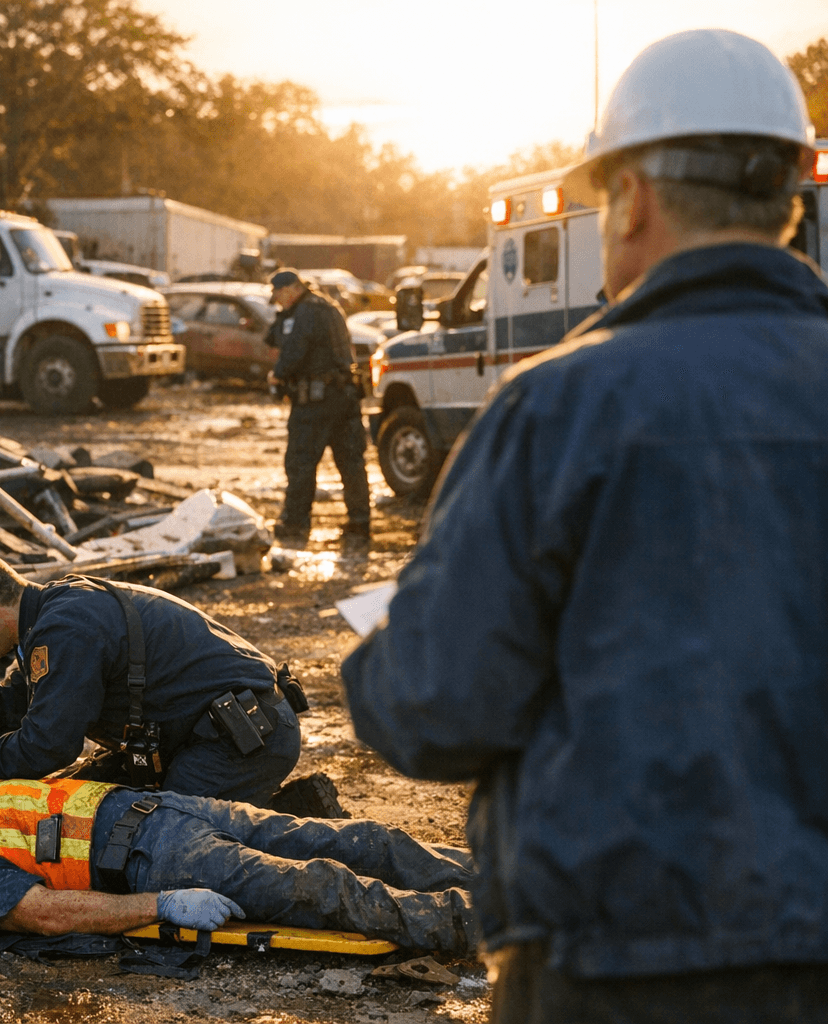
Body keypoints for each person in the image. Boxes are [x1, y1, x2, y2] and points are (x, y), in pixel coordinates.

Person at [341, 29, 828, 1022]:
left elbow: (438, 707)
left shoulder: (555, 409)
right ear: (789, 198)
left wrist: (378, 656)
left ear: (634, 197)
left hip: (612, 964)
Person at [0, 772, 477, 954]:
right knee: (325, 887)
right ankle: (489, 924)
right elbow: (43, 915)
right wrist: (163, 906)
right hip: (154, 858)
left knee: (360, 840)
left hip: (165, 809)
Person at [0, 551, 324, 811]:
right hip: (207, 732)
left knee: (160, 839)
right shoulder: (51, 614)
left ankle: (305, 824)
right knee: (81, 799)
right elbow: (22, 691)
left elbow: (48, 746)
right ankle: (265, 814)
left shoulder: (66, 628)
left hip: (243, 738)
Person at [264, 269, 369, 552]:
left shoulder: (306, 313)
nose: (277, 300)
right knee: (351, 463)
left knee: (300, 463)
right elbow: (272, 338)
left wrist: (278, 375)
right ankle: (360, 522)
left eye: (279, 294)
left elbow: (293, 351)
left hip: (316, 401)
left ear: (293, 289)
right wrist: (283, 314)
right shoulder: (328, 307)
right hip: (345, 397)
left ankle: (295, 523)